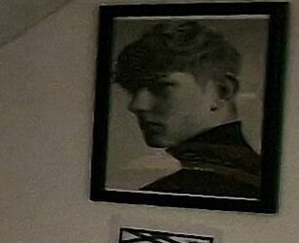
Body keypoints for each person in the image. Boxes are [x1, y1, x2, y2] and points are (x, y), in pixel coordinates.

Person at [110, 21, 265, 199]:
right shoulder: (253, 174)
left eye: (161, 87)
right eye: (133, 89)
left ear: (222, 90)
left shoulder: (177, 190)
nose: (136, 105)